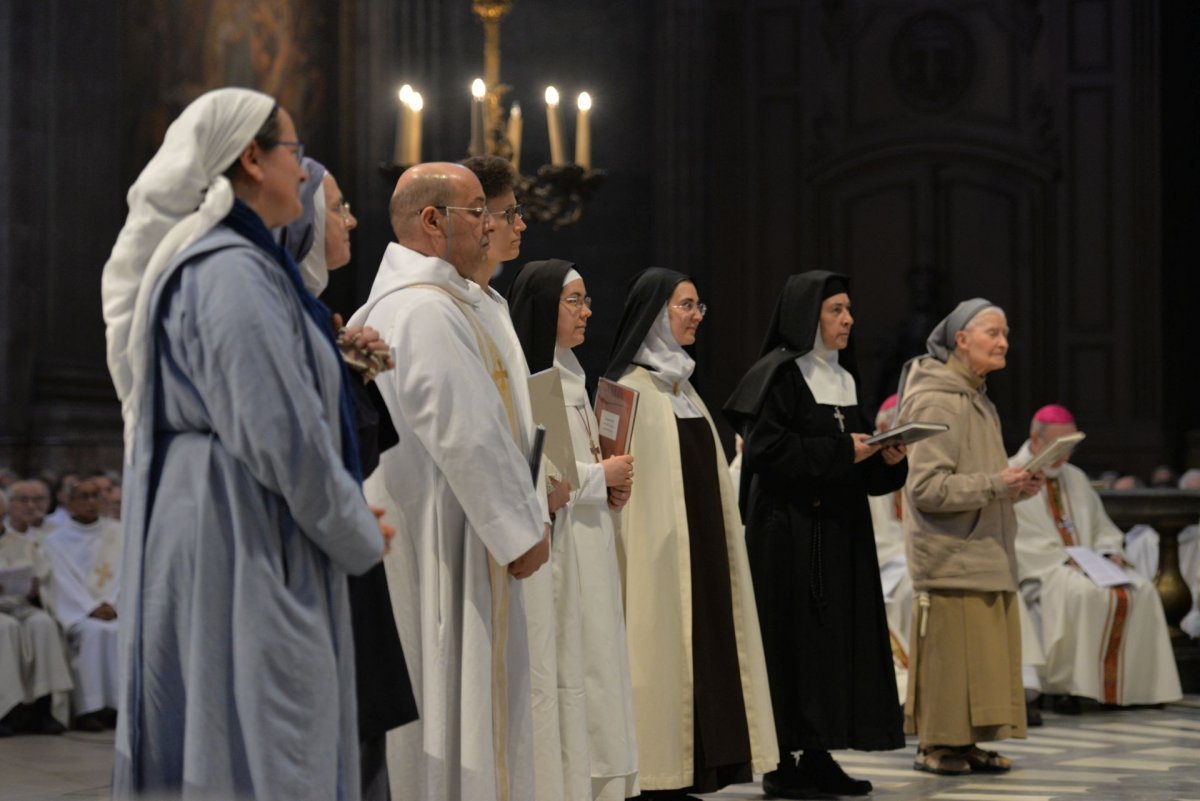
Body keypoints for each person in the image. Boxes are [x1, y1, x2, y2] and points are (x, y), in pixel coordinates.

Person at [101, 88, 389, 800]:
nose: (304, 171)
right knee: (259, 737)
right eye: (294, 152)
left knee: (233, 731)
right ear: (252, 159)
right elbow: (282, 434)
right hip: (236, 527)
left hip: (234, 513)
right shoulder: (228, 270)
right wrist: (355, 529)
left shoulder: (250, 267)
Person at [350, 162, 551, 801]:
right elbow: (467, 430)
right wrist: (521, 533)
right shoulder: (427, 311)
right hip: (446, 538)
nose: (492, 226)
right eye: (478, 212)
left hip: (436, 527)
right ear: (433, 222)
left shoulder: (419, 304)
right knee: (452, 690)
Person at [724, 271, 907, 798]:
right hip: (787, 535)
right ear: (809, 315)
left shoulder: (844, 380)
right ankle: (782, 761)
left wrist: (889, 459)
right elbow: (766, 453)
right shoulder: (778, 375)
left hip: (840, 534)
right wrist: (843, 452)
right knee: (790, 643)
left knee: (830, 646)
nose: (848, 320)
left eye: (850, 310)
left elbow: (857, 465)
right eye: (836, 310)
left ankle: (821, 753)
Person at [605, 268, 777, 799]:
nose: (697, 315)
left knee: (708, 656)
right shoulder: (627, 392)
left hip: (703, 553)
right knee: (658, 656)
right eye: (686, 305)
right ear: (656, 313)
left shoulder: (684, 390)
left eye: (700, 306)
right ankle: (657, 777)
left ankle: (696, 772)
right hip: (655, 558)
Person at [280, 156, 418, 801]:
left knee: (364, 724)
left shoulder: (318, 317)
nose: (352, 220)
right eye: (337, 207)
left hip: (345, 535)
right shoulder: (290, 318)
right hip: (321, 547)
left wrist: (354, 373)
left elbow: (367, 446)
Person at [463, 155, 578, 801]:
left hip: (518, 524)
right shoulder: (439, 309)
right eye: (509, 213)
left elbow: (518, 429)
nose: (521, 223)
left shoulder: (492, 305)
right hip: (481, 532)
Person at [507, 259, 640, 801]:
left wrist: (611, 485)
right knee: (572, 666)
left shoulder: (575, 374)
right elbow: (546, 478)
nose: (587, 311)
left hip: (593, 543)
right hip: (561, 551)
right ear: (545, 308)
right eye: (574, 301)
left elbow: (576, 460)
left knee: (601, 662)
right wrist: (598, 477)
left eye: (586, 300)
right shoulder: (536, 378)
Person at [896, 298, 1041, 776]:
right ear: (960, 339)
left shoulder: (976, 397)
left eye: (1005, 333)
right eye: (992, 333)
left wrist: (1015, 487)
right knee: (952, 660)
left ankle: (969, 742)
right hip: (951, 552)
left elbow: (981, 479)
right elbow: (926, 488)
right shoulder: (937, 398)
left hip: (984, 547)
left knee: (982, 659)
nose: (1003, 343)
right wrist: (1000, 484)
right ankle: (936, 744)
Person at [1011, 404, 1182, 709]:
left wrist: (1109, 552)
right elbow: (1016, 540)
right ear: (1035, 440)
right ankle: (1072, 690)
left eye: (1070, 447)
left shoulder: (1074, 478)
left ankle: (1136, 690)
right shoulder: (1012, 475)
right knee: (1081, 593)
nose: (1063, 456)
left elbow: (1104, 529)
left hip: (1089, 564)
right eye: (1057, 447)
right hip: (1046, 571)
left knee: (1141, 589)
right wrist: (1064, 559)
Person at [40, 478, 121, 732]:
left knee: (119, 632)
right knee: (94, 632)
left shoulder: (118, 533)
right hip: (80, 612)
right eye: (83, 497)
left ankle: (118, 707)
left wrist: (115, 604)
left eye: (95, 496)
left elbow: (126, 575)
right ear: (70, 502)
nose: (90, 502)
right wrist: (90, 608)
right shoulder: (56, 540)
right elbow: (62, 581)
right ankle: (90, 709)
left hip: (116, 610)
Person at [0, 489, 72, 736]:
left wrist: (35, 588)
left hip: (20, 605)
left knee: (42, 624)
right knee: (5, 627)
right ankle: (6, 711)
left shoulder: (23, 543)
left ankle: (43, 709)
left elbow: (43, 577)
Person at [867, 393, 914, 697]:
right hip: (885, 564)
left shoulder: (915, 464)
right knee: (913, 588)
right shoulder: (869, 465)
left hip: (911, 559)